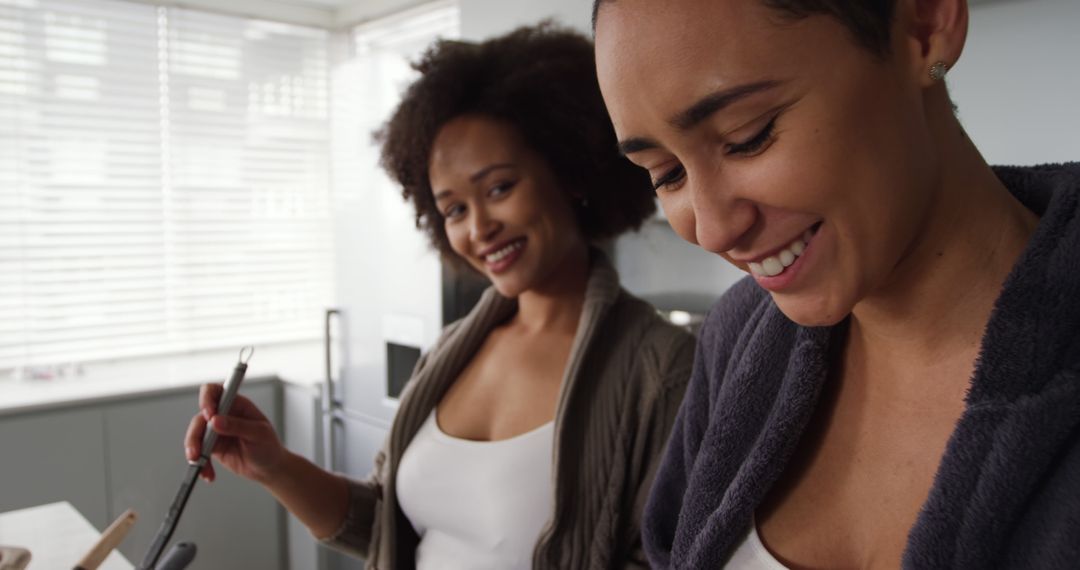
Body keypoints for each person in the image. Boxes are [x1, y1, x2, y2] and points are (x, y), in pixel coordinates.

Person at [184, 23, 695, 570]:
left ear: (569, 173)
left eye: (499, 188)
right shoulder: (451, 351)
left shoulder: (660, 368)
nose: (479, 229)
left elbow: (665, 558)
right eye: (453, 209)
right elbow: (385, 525)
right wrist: (274, 464)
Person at [592, 0, 1080, 568]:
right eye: (667, 173)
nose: (714, 228)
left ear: (923, 24)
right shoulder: (738, 337)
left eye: (748, 136)